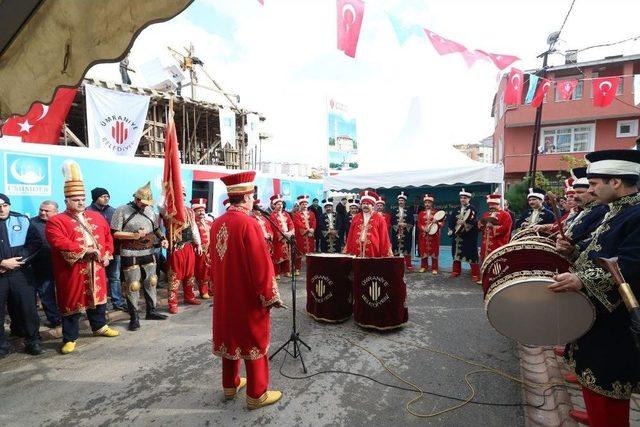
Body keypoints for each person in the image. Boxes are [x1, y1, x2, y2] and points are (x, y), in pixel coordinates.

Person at [551, 149, 640, 427]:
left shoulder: (636, 214)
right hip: (599, 315)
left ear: (615, 182)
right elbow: (598, 252)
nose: (589, 190)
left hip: (616, 323)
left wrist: (581, 280)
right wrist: (572, 250)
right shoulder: (619, 210)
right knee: (594, 385)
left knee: (607, 389)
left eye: (593, 184)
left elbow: (631, 265)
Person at [209, 171, 284, 410]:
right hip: (247, 295)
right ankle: (256, 393)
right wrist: (270, 296)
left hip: (225, 294)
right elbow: (261, 265)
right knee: (254, 339)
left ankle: (230, 386)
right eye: (252, 196)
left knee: (230, 337)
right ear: (246, 197)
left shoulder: (217, 223)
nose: (253, 200)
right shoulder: (249, 223)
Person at [45, 161, 119, 354]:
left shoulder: (97, 217)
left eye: (82, 198)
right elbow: (58, 241)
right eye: (75, 199)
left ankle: (99, 327)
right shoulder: (56, 220)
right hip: (73, 268)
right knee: (72, 302)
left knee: (99, 298)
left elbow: (107, 237)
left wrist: (108, 254)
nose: (80, 202)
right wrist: (85, 249)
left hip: (97, 266)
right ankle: (70, 338)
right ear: (66, 201)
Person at [111, 183, 168, 331]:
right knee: (133, 285)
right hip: (130, 252)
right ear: (136, 199)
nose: (145, 206)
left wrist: (163, 239)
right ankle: (134, 317)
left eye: (147, 204)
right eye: (143, 203)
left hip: (148, 251)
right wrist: (133, 235)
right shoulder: (121, 210)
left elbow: (155, 228)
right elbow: (115, 233)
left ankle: (151, 311)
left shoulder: (149, 210)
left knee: (152, 281)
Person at [0, 193, 45, 357]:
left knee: (27, 309)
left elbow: (35, 243)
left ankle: (32, 341)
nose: (1, 209)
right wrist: (2, 263)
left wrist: (17, 261)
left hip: (20, 273)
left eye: (5, 205)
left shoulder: (22, 220)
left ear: (9, 206)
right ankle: (2, 346)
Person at [87, 187, 126, 311]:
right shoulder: (87, 212)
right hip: (96, 253)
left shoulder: (113, 211)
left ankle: (117, 302)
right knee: (98, 278)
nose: (106, 198)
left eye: (107, 196)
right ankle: (99, 302)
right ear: (95, 198)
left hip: (113, 250)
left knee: (115, 277)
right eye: (103, 196)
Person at [164, 187, 202, 313]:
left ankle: (189, 296)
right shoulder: (168, 210)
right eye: (180, 195)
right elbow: (160, 209)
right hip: (176, 248)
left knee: (190, 274)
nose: (183, 197)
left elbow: (194, 228)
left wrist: (198, 244)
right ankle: (172, 303)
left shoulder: (190, 211)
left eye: (184, 195)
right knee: (174, 275)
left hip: (188, 247)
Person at [29, 200, 62, 329]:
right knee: (46, 293)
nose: (43, 213)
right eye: (41, 210)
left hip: (62, 265)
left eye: (46, 211)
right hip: (41, 265)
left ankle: (70, 316)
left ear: (56, 212)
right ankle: (54, 319)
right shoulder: (31, 223)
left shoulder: (62, 222)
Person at [344, 191, 392, 257]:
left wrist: (385, 253)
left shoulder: (379, 218)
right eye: (363, 203)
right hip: (356, 251)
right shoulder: (356, 218)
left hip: (373, 251)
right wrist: (348, 249)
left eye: (368, 204)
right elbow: (350, 235)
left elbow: (384, 237)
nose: (365, 205)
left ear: (372, 206)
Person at [447, 188, 480, 282]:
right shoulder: (456, 209)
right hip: (457, 237)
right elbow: (451, 221)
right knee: (456, 254)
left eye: (464, 198)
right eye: (461, 198)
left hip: (469, 236)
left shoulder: (473, 209)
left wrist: (464, 225)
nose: (462, 199)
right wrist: (452, 230)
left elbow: (473, 222)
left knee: (471, 254)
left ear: (469, 199)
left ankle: (475, 274)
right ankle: (456, 271)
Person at [478, 193, 512, 269]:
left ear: (498, 204)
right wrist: (481, 224)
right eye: (490, 204)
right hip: (485, 243)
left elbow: (506, 229)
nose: (491, 206)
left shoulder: (505, 215)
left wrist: (493, 227)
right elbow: (480, 228)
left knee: (497, 261)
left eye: (493, 204)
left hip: (498, 243)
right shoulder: (486, 214)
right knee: (484, 260)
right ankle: (485, 277)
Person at [416, 194, 444, 274]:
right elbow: (419, 224)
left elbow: (442, 223)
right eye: (426, 203)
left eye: (429, 202)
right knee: (423, 250)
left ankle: (435, 268)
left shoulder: (437, 213)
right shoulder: (421, 213)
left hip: (434, 236)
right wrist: (423, 228)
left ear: (432, 203)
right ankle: (424, 266)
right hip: (423, 235)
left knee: (434, 251)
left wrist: (437, 222)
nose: (427, 204)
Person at [269, 194, 295, 279]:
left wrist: (291, 232)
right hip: (279, 239)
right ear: (274, 205)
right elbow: (275, 227)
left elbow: (291, 223)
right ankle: (277, 273)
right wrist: (284, 234)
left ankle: (287, 271)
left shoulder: (286, 214)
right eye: (278, 204)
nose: (280, 206)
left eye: (281, 204)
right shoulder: (272, 215)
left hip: (287, 237)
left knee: (287, 255)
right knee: (278, 255)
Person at [192, 198, 212, 300]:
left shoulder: (209, 222)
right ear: (194, 212)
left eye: (202, 210)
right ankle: (203, 291)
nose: (201, 213)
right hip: (200, 250)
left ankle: (211, 289)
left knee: (211, 270)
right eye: (199, 211)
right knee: (202, 271)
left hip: (210, 250)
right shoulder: (193, 224)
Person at [292, 195, 316, 275]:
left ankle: (311, 268)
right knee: (299, 252)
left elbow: (314, 222)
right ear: (300, 205)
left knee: (311, 252)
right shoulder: (297, 214)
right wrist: (307, 229)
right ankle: (297, 269)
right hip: (301, 235)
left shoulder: (311, 213)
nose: (304, 205)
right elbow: (297, 223)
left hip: (310, 236)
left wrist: (312, 229)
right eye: (303, 204)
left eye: (306, 204)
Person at [391, 191, 415, 270]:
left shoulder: (409, 211)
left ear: (405, 201)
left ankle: (408, 265)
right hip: (396, 233)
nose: (401, 202)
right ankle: (395, 265)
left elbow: (412, 222)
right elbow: (392, 221)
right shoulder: (394, 211)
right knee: (395, 248)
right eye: (399, 200)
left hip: (406, 233)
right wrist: (397, 226)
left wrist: (406, 225)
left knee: (407, 248)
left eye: (402, 200)